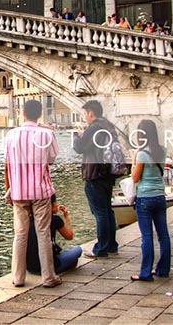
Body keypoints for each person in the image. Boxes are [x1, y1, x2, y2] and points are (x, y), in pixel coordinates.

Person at [4, 100, 61, 288]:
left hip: (19, 191)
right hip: (40, 190)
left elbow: (7, 164)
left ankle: (18, 278)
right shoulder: (46, 134)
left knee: (20, 234)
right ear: (40, 114)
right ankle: (49, 278)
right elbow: (51, 160)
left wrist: (8, 189)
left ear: (23, 113)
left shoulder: (11, 135)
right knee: (43, 234)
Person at [72, 100, 120, 259]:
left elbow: (79, 147)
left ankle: (101, 248)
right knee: (107, 210)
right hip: (107, 174)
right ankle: (111, 245)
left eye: (85, 114)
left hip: (94, 174)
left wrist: (76, 136)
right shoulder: (109, 126)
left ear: (90, 113)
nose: (85, 117)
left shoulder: (93, 128)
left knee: (100, 213)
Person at [130, 119, 171, 281]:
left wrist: (134, 159)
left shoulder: (141, 154)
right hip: (160, 195)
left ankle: (145, 273)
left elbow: (135, 178)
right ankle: (163, 269)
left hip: (145, 198)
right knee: (163, 235)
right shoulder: (163, 150)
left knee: (147, 236)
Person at [26, 194, 82, 276]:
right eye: (55, 202)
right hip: (50, 267)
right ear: (50, 204)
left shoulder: (29, 219)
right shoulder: (55, 219)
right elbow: (70, 236)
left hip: (30, 268)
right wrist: (66, 216)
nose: (57, 204)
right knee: (77, 249)